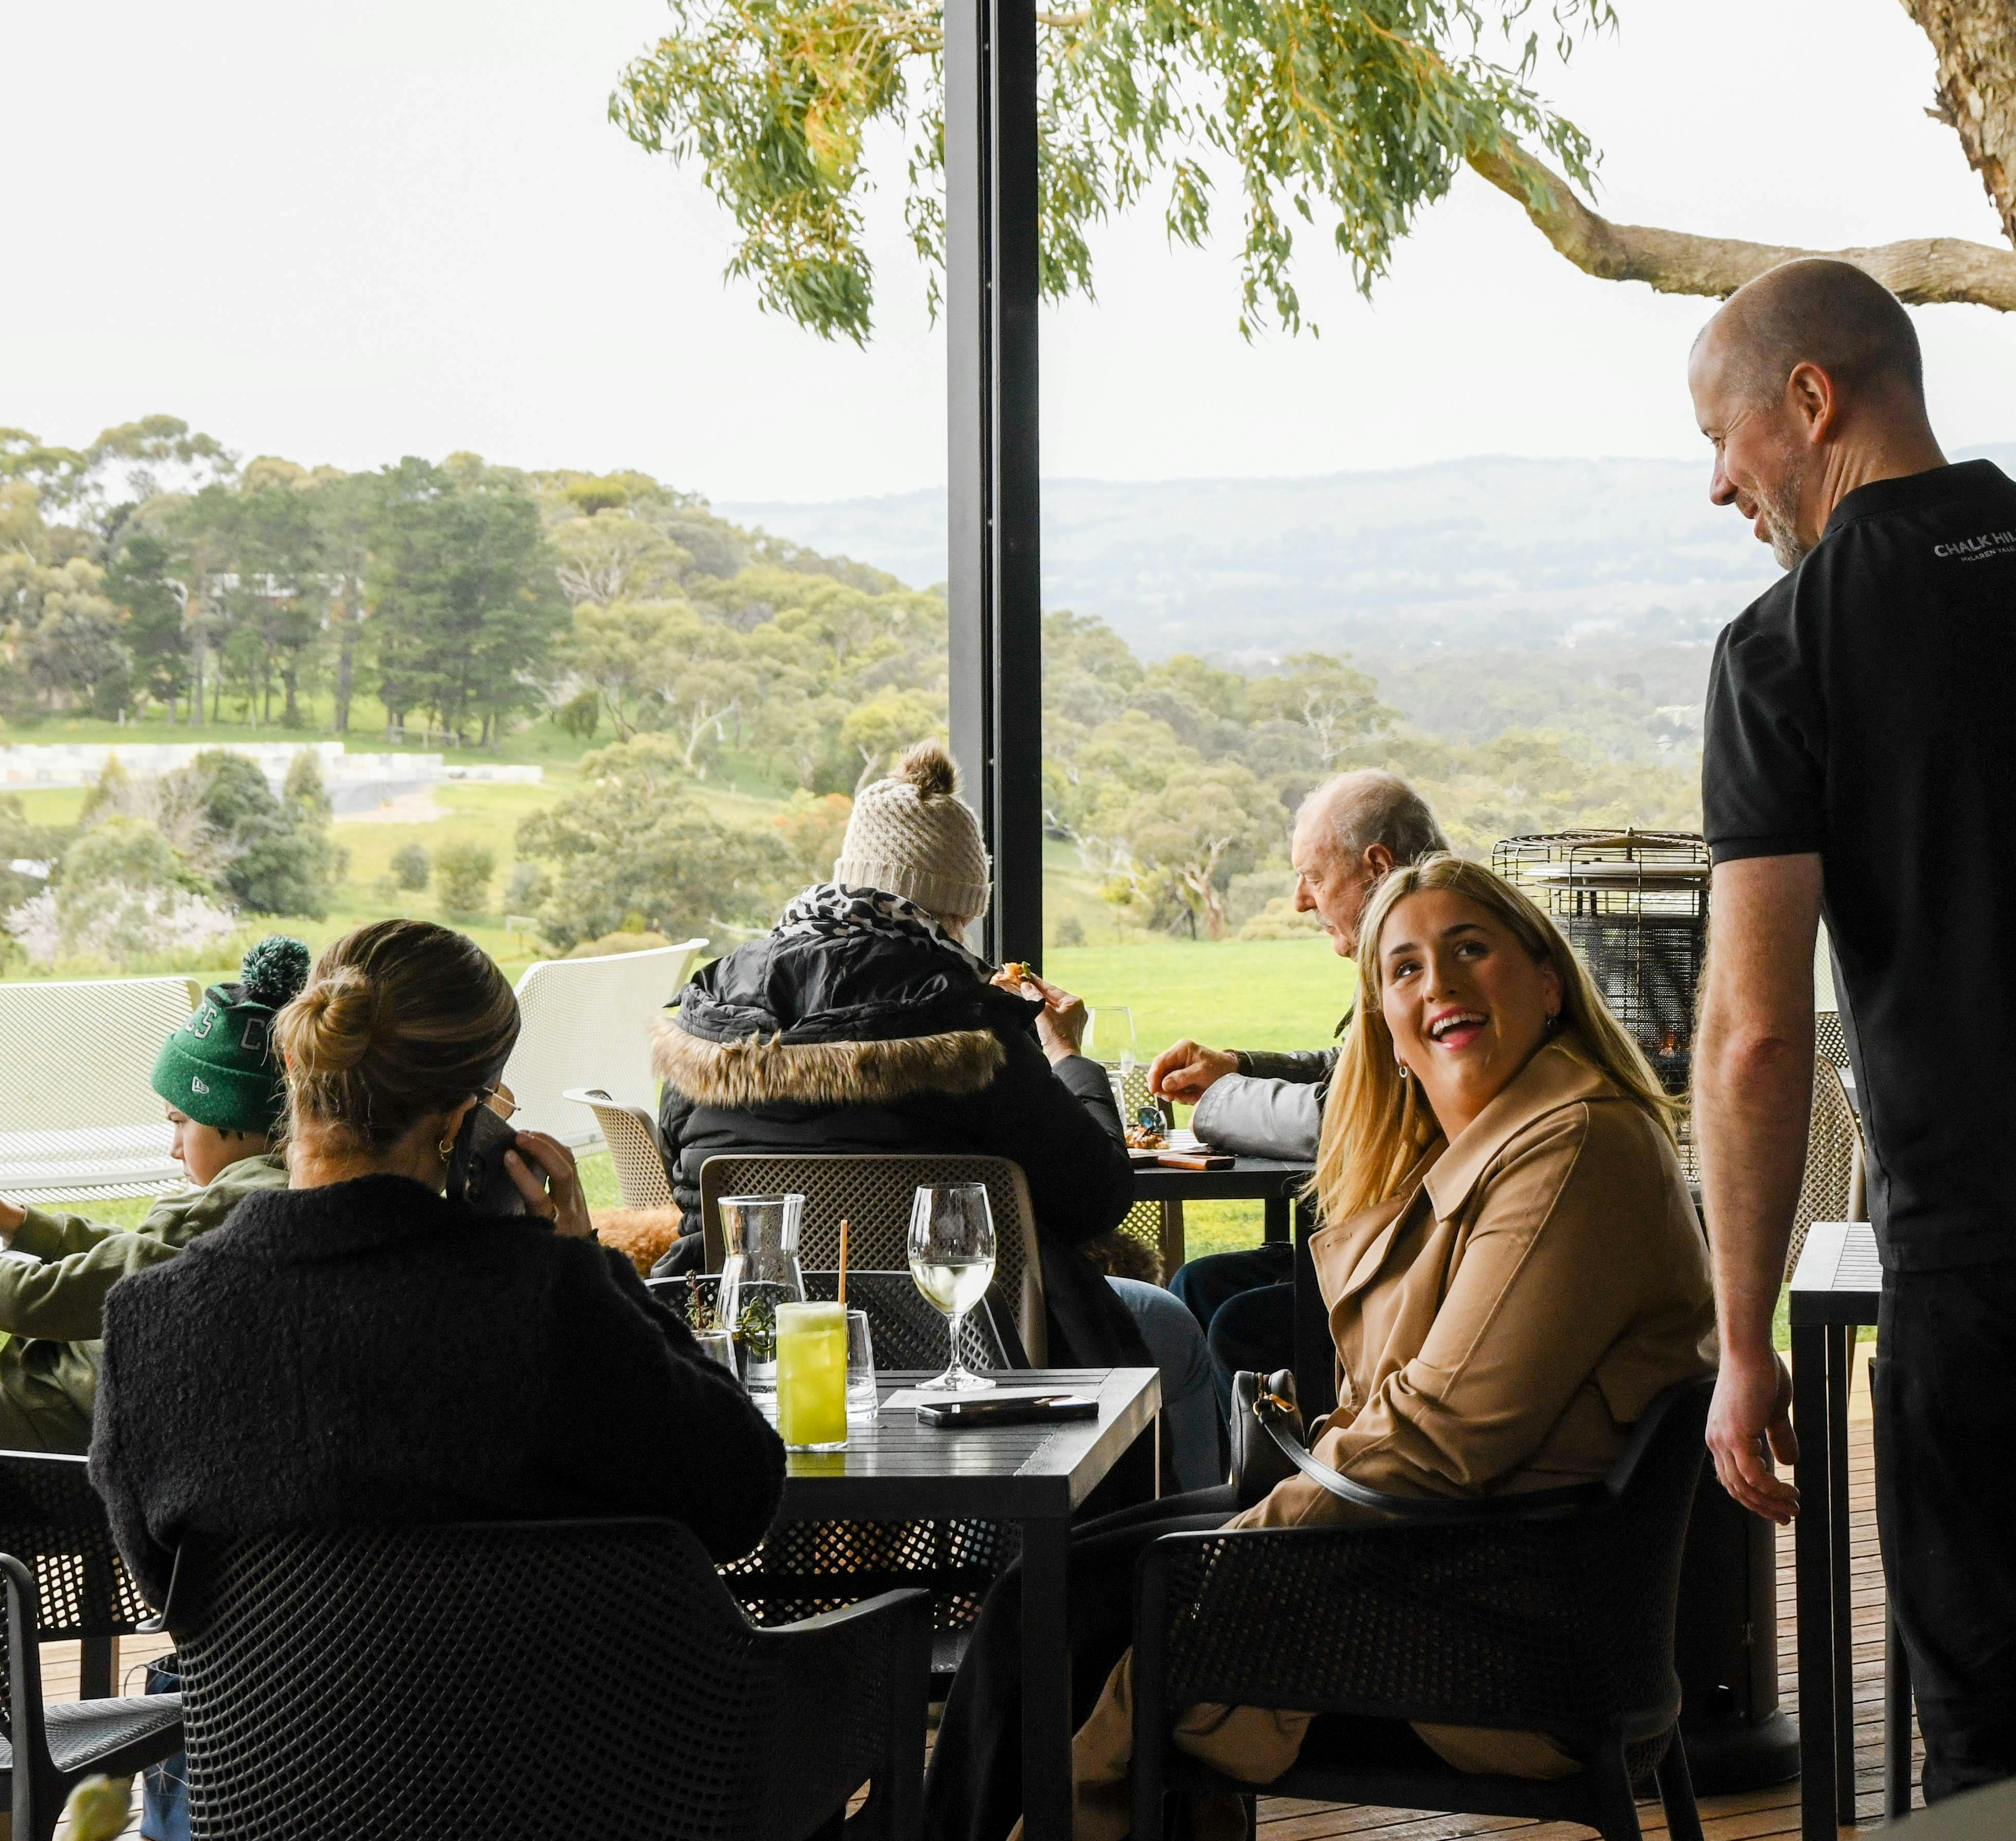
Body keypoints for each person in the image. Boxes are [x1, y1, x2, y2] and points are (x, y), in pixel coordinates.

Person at [923, 855, 1713, 1841]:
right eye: (1406, 969)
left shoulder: (1574, 1147)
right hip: (1453, 1563)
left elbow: (1436, 1438)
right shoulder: (1499, 1138)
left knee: (1070, 1623)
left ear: (1548, 980)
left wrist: (1239, 1548)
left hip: (1494, 1629)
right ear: (1384, 1022)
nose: (1442, 985)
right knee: (1048, 1593)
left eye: (1471, 949)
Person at [1684, 256, 2016, 1799]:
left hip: (1978, 1271)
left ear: (1811, 400)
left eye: (1722, 434)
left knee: (1998, 1750)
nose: (1719, 481)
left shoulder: (1784, 648)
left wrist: (1743, 1340)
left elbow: (1753, 1030)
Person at [90, 915, 782, 1584]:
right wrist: (589, 1265)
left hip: (267, 1707)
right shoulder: (544, 1304)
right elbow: (740, 1496)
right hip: (545, 1703)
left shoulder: (148, 1318)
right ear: (461, 1119)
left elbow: (166, 1584)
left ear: (295, 1063)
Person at [656, 743, 1220, 1488]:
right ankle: (1178, 1576)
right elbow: (1097, 1198)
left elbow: (685, 1182)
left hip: (761, 1355)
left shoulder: (713, 1007)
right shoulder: (972, 1025)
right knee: (1171, 1326)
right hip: (982, 1352)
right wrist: (1068, 1060)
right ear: (956, 910)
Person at [0, 937, 309, 1452]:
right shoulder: (266, 1190)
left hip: (53, 1440)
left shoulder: (243, 1203)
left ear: (236, 1119)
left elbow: (39, 1298)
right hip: (70, 1421)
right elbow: (140, 1258)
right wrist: (12, 1220)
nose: (175, 1148)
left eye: (181, 1122)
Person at [1145, 770, 1441, 1381]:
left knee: (1237, 1322)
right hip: (1385, 1233)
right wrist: (1240, 1066)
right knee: (1199, 1284)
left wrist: (1216, 1100)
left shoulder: (1427, 959)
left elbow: (1352, 1115)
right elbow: (1358, 1067)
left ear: (1377, 866)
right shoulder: (1413, 939)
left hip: (1419, 1255)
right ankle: (1233, 1471)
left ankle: (1281, 1469)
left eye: (1312, 876)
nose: (1301, 901)